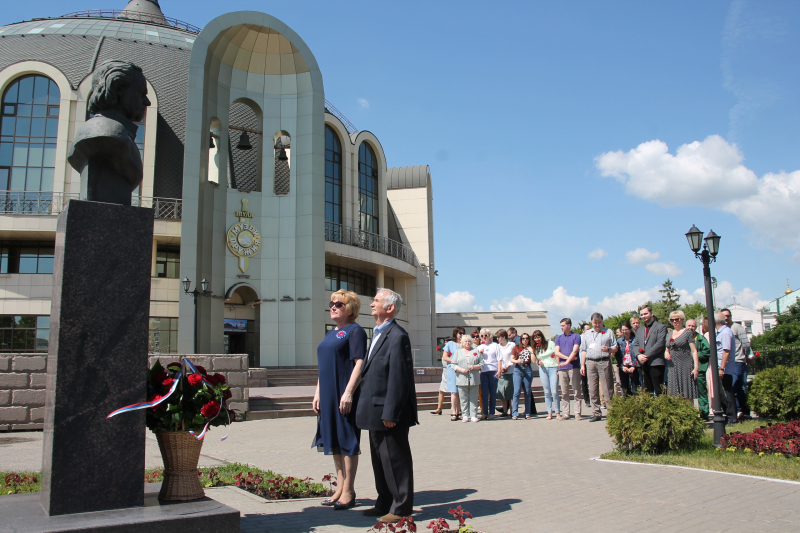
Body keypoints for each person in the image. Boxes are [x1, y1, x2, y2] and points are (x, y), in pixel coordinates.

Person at [357, 289, 417, 524]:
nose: (372, 304)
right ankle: (384, 501)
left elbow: (399, 378)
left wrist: (391, 412)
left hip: (388, 413)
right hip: (374, 410)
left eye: (376, 301)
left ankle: (401, 508)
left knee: (395, 460)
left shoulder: (397, 336)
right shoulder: (378, 333)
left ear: (389, 308)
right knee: (380, 461)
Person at [312, 290, 366, 510]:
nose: (333, 306)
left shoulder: (355, 331)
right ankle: (339, 487)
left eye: (339, 304)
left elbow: (360, 363)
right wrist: (317, 393)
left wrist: (349, 392)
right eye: (331, 303)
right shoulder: (329, 334)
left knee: (347, 440)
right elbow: (323, 367)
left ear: (350, 309)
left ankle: (349, 490)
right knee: (334, 440)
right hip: (327, 395)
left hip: (344, 395)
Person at [580, 313, 617, 422]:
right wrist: (582, 365)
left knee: (607, 388)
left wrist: (609, 349)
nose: (597, 325)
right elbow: (583, 350)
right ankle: (596, 412)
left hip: (604, 361)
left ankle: (612, 411)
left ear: (602, 321)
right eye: (595, 323)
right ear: (592, 322)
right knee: (592, 388)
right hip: (590, 362)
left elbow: (615, 347)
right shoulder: (587, 333)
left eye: (599, 322)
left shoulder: (608, 332)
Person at [721, 308, 751, 420]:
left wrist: (746, 357)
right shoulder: (722, 330)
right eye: (724, 316)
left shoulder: (737, 328)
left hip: (738, 361)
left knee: (736, 386)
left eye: (728, 316)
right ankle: (735, 411)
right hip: (727, 363)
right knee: (730, 388)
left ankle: (741, 410)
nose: (726, 318)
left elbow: (746, 344)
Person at [631, 305, 668, 396]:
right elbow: (635, 344)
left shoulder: (661, 327)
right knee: (647, 391)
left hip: (655, 362)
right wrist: (638, 355)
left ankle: (660, 409)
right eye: (642, 315)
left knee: (659, 390)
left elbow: (660, 344)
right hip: (643, 364)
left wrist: (646, 355)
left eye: (646, 314)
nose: (644, 316)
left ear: (651, 313)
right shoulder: (640, 330)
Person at [665, 310, 699, 400]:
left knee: (687, 393)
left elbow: (694, 350)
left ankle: (688, 412)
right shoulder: (669, 334)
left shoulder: (687, 333)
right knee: (674, 394)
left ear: (682, 320)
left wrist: (696, 368)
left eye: (677, 319)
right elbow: (667, 348)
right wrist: (666, 353)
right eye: (672, 320)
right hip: (673, 366)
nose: (674, 321)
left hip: (685, 364)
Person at [451, 335, 484, 423]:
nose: (467, 343)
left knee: (473, 398)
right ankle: (465, 415)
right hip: (462, 378)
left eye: (469, 341)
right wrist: (461, 370)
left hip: (474, 378)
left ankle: (473, 415)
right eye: (465, 341)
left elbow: (482, 364)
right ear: (462, 343)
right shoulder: (458, 352)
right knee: (463, 398)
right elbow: (453, 365)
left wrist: (474, 366)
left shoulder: (476, 351)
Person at [555, 318, 583, 420]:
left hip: (573, 367)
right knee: (564, 391)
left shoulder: (576, 336)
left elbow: (575, 351)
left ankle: (577, 413)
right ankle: (566, 413)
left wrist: (568, 361)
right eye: (561, 326)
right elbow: (557, 352)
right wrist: (567, 359)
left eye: (563, 325)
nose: (561, 327)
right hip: (562, 368)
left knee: (576, 390)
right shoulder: (558, 338)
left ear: (569, 325)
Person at [714, 311, 737, 425]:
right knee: (721, 392)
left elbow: (726, 351)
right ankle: (728, 414)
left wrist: (722, 368)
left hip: (724, 369)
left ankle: (732, 416)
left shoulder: (726, 332)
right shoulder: (720, 332)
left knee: (727, 392)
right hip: (720, 367)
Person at [687, 318, 711, 420]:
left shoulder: (700, 338)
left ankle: (704, 414)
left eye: (693, 326)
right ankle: (689, 414)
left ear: (696, 327)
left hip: (700, 369)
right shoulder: (682, 337)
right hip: (687, 369)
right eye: (689, 326)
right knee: (687, 393)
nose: (691, 328)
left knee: (701, 392)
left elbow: (707, 351)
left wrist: (695, 355)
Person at [533, 329, 559, 420]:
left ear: (542, 337)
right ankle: (549, 412)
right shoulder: (536, 348)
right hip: (543, 369)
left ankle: (558, 412)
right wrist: (538, 361)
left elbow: (555, 353)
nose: (537, 339)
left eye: (538, 337)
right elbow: (535, 359)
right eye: (535, 338)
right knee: (547, 392)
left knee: (554, 391)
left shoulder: (550, 343)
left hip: (553, 367)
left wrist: (558, 367)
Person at [510, 332, 535, 420]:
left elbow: (534, 361)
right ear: (521, 339)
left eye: (527, 338)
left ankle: (527, 413)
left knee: (527, 391)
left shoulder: (530, 348)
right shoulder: (516, 347)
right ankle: (515, 413)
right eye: (523, 338)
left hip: (527, 369)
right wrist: (517, 361)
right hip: (518, 369)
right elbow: (512, 359)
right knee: (517, 391)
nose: (525, 340)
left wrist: (531, 351)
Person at [477, 328, 500, 420]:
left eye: (486, 335)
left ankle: (492, 413)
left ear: (489, 336)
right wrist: (479, 353)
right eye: (482, 336)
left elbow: (499, 359)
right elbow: (475, 360)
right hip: (483, 371)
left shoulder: (495, 345)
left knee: (492, 393)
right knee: (484, 393)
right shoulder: (479, 347)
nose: (484, 337)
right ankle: (484, 413)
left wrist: (499, 370)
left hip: (493, 370)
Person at [442, 327, 464, 421]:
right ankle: (454, 412)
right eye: (460, 333)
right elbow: (445, 357)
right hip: (453, 370)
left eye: (463, 333)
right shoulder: (450, 344)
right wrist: (454, 362)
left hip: (462, 370)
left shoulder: (464, 344)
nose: (461, 335)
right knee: (454, 392)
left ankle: (460, 412)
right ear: (456, 334)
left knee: (461, 392)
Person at [495, 329, 516, 417]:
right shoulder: (497, 346)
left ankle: (512, 410)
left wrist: (508, 366)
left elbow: (515, 356)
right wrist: (500, 368)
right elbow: (496, 359)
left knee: (510, 392)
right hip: (501, 371)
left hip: (511, 371)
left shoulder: (511, 345)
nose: (497, 339)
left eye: (499, 337)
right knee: (502, 392)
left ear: (504, 337)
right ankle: (504, 411)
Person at [616, 321, 640, 396]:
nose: (624, 332)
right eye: (623, 330)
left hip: (633, 365)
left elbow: (638, 353)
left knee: (635, 387)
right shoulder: (619, 341)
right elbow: (618, 355)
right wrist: (622, 366)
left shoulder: (635, 340)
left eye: (626, 330)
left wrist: (634, 365)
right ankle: (627, 403)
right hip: (624, 366)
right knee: (625, 387)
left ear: (630, 330)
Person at [431, 338, 450, 416]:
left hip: (451, 371)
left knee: (454, 392)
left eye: (447, 342)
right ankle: (439, 408)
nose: (446, 343)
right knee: (441, 390)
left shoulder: (452, 351)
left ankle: (457, 409)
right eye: (445, 342)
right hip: (445, 372)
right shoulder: (444, 351)